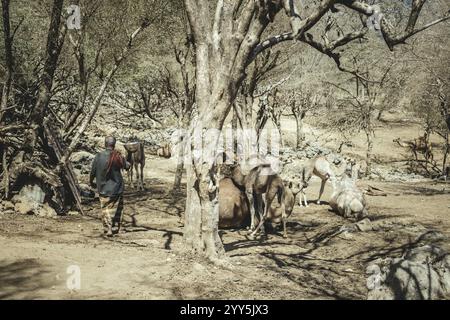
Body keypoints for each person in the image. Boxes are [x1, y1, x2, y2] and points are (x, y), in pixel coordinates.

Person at [90, 136, 130, 237]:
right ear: (114, 144)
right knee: (119, 208)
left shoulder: (99, 156)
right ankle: (119, 228)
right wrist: (127, 160)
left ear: (105, 144)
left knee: (105, 208)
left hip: (103, 188)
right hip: (117, 187)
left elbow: (93, 172)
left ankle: (108, 229)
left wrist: (91, 182)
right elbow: (127, 166)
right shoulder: (118, 156)